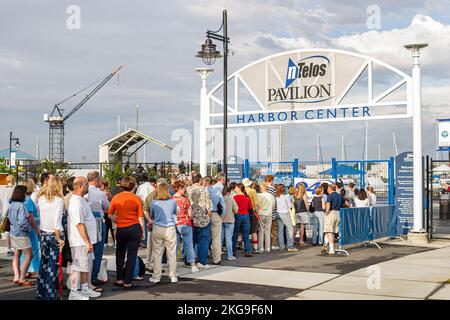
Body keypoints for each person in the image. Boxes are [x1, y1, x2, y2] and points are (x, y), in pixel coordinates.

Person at [67, 177, 101, 300]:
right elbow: (79, 224)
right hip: (80, 241)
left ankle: (85, 288)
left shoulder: (81, 200)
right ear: (80, 186)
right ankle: (74, 292)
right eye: (86, 184)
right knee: (78, 267)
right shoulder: (76, 202)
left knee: (85, 266)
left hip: (86, 241)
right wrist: (87, 241)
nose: (88, 186)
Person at [108, 177, 145, 289]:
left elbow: (110, 214)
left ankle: (119, 279)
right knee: (132, 255)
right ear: (133, 186)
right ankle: (128, 281)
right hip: (134, 228)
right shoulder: (136, 199)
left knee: (119, 254)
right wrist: (142, 232)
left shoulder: (116, 198)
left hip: (121, 228)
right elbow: (140, 218)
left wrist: (118, 220)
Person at [36, 175, 65, 300]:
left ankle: (40, 291)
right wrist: (59, 239)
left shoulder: (41, 198)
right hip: (54, 235)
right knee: (53, 266)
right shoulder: (59, 200)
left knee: (43, 263)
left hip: (43, 234)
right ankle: (50, 294)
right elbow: (57, 222)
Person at [149, 183, 179, 284]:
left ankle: (156, 276)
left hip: (158, 227)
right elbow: (175, 213)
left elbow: (152, 215)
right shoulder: (173, 202)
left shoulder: (154, 203)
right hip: (170, 228)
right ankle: (173, 275)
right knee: (172, 253)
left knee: (157, 253)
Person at [85, 171, 110, 286]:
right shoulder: (100, 194)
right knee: (97, 251)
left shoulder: (84, 193)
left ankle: (86, 276)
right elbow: (107, 207)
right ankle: (93, 276)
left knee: (86, 251)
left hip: (85, 222)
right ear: (96, 180)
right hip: (98, 222)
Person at [8, 185, 33, 286]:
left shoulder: (12, 204)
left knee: (17, 254)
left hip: (13, 232)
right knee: (29, 255)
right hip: (21, 234)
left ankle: (16, 276)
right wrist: (29, 229)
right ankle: (22, 278)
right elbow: (23, 222)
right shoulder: (22, 206)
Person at [186, 174, 212, 269]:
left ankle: (188, 260)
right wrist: (208, 216)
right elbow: (209, 206)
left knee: (190, 241)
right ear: (200, 180)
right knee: (203, 242)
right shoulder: (204, 190)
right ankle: (201, 262)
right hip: (203, 219)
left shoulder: (187, 189)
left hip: (190, 218)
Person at [172, 181, 198, 273]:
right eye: (183, 188)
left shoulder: (171, 199)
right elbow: (190, 214)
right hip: (186, 224)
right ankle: (193, 265)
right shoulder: (186, 199)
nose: (185, 190)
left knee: (174, 246)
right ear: (179, 188)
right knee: (189, 246)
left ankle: (173, 267)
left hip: (175, 224)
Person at [19, 179, 40, 279]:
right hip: (31, 229)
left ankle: (25, 269)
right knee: (34, 249)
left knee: (25, 251)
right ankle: (33, 269)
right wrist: (37, 229)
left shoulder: (23, 199)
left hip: (25, 228)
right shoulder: (28, 200)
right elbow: (31, 217)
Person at [205, 176, 226, 265]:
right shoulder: (217, 191)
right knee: (216, 238)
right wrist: (222, 215)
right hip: (215, 214)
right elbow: (223, 205)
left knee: (203, 237)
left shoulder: (203, 190)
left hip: (204, 215)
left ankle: (202, 256)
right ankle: (216, 258)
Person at [232, 183, 253, 257]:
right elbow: (250, 208)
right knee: (246, 235)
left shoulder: (234, 198)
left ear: (239, 188)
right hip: (246, 215)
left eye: (236, 188)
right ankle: (247, 251)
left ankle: (233, 252)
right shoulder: (247, 198)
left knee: (235, 234)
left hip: (237, 215)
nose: (235, 189)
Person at [275, 184, 297, 252]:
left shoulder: (275, 197)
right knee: (290, 229)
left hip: (278, 213)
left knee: (280, 230)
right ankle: (290, 246)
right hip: (285, 213)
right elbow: (290, 206)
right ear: (283, 189)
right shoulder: (285, 197)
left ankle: (281, 246)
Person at [323, 184, 344, 255]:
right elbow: (347, 203)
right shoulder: (340, 196)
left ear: (329, 188)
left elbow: (328, 204)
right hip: (338, 213)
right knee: (332, 231)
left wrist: (326, 211)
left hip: (331, 213)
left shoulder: (330, 195)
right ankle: (325, 244)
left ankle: (331, 249)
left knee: (329, 232)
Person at [257, 183, 275, 253]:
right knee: (268, 231)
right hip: (269, 213)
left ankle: (261, 247)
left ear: (262, 188)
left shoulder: (259, 195)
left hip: (261, 213)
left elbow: (257, 205)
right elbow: (273, 205)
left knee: (261, 231)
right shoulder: (271, 195)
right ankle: (267, 247)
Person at [242, 178, 259, 253]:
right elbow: (256, 203)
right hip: (252, 212)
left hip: (244, 212)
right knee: (254, 230)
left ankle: (244, 247)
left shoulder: (242, 191)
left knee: (244, 231)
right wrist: (257, 212)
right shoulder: (252, 191)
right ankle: (255, 248)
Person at [0, 175, 16, 255]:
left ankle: (9, 248)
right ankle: (14, 247)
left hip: (4, 212)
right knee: (14, 230)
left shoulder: (1, 190)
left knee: (7, 231)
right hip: (13, 212)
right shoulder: (14, 190)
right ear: (13, 181)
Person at [222, 186, 238, 260]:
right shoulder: (231, 199)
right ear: (229, 192)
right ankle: (230, 255)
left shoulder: (220, 199)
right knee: (228, 239)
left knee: (220, 239)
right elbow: (236, 210)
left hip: (221, 220)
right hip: (230, 220)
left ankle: (217, 255)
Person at [265, 175, 279, 250]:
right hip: (272, 212)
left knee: (266, 229)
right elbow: (275, 200)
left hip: (264, 211)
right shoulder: (272, 189)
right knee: (274, 229)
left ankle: (266, 244)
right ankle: (274, 244)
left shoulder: (264, 188)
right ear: (271, 180)